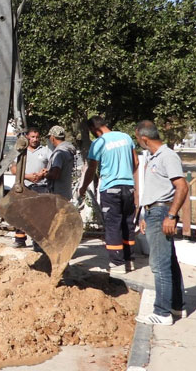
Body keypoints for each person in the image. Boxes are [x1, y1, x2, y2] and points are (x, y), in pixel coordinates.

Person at [134, 120, 187, 325]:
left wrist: (171, 216)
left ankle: (162, 313)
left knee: (159, 265)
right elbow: (154, 189)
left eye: (138, 138)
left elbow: (182, 186)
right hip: (153, 212)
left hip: (161, 213)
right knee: (169, 261)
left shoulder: (167, 156)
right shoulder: (154, 157)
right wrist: (144, 215)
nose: (138, 142)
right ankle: (176, 305)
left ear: (144, 138)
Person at [77, 115, 139, 273]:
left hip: (110, 189)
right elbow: (136, 162)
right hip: (128, 187)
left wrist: (83, 188)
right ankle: (129, 261)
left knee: (113, 225)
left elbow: (92, 169)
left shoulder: (98, 143)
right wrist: (126, 175)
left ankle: (117, 264)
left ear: (93, 129)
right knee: (128, 224)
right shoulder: (125, 137)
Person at [9, 127, 50, 248]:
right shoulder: (21, 151)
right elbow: (13, 169)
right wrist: (27, 177)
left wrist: (42, 174)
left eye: (37, 137)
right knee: (21, 213)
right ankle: (20, 239)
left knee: (39, 216)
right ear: (27, 137)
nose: (35, 139)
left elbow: (51, 167)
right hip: (24, 186)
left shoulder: (45, 151)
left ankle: (37, 242)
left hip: (41, 187)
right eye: (32, 137)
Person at [45, 125, 77, 200]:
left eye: (49, 138)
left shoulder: (59, 153)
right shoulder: (68, 150)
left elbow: (55, 175)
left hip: (58, 195)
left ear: (52, 138)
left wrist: (44, 174)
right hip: (66, 192)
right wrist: (49, 170)